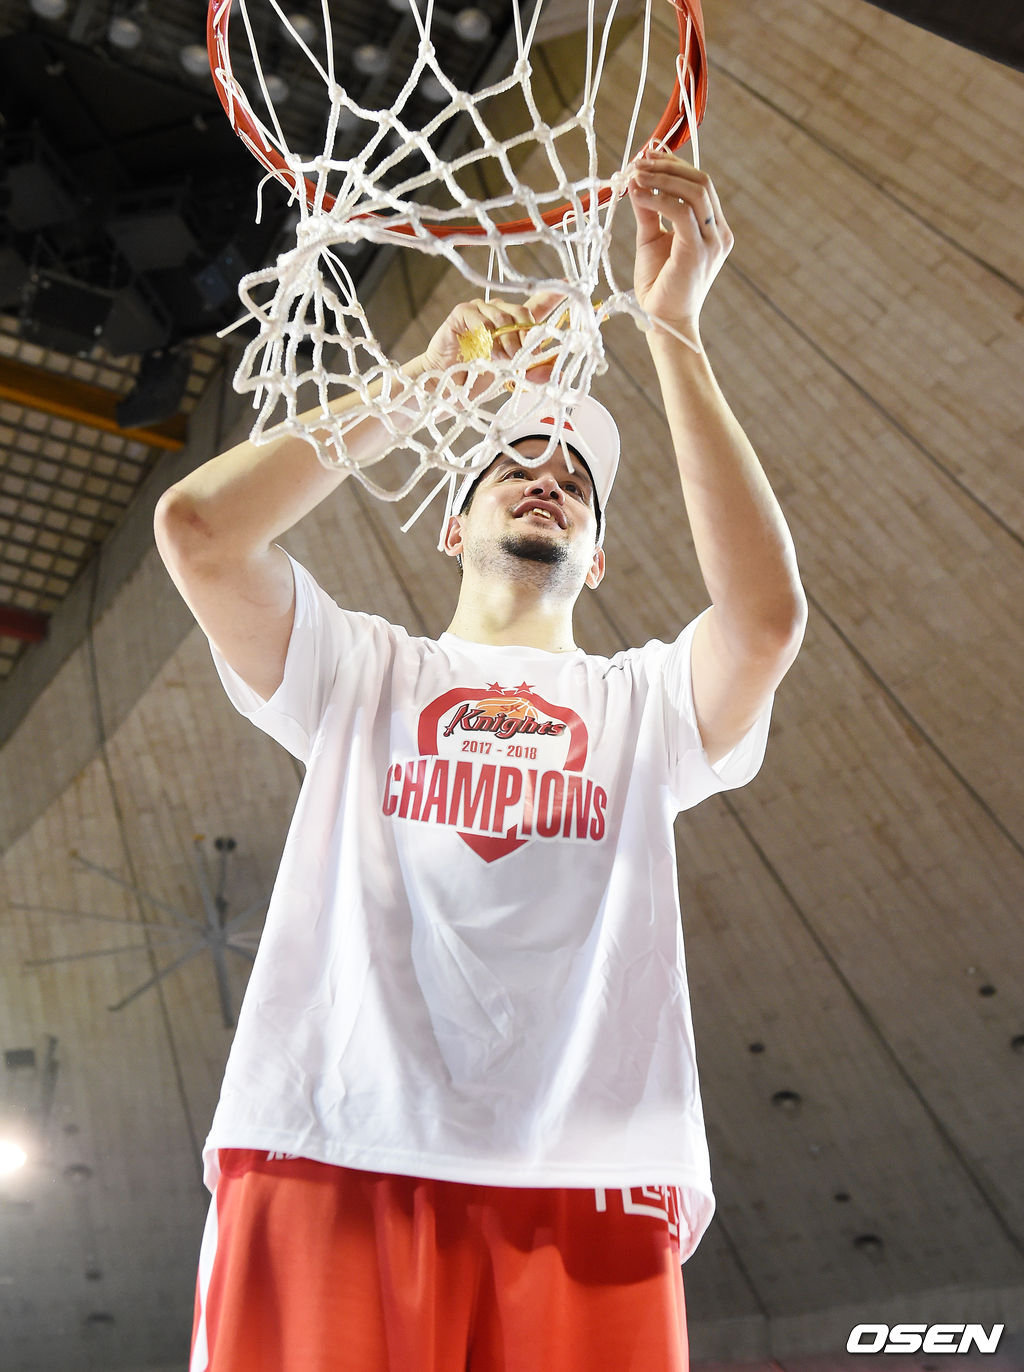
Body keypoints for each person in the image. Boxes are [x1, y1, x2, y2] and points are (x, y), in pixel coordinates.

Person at [155, 153, 806, 1372]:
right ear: (453, 520)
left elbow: (765, 624)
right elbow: (194, 531)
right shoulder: (357, 672)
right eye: (515, 455)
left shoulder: (645, 703)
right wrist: (424, 385)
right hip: (326, 1142)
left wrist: (672, 332)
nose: (551, 473)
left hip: (585, 1175)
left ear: (597, 563)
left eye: (578, 482)